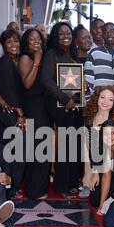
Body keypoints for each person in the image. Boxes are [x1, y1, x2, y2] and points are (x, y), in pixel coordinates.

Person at [40, 22, 84, 197]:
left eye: (68, 32)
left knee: (75, 142)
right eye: (61, 33)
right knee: (66, 144)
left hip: (74, 105)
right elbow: (46, 80)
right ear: (55, 37)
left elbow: (74, 83)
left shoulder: (72, 54)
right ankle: (62, 186)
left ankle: (73, 182)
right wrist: (65, 99)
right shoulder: (52, 54)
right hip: (59, 104)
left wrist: (82, 91)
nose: (66, 36)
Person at [82, 85, 114, 210]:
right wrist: (92, 171)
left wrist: (97, 171)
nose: (105, 102)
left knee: (98, 201)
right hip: (97, 160)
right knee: (94, 200)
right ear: (97, 98)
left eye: (110, 99)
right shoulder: (89, 118)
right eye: (102, 97)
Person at [18, 28, 51, 200]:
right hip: (32, 107)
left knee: (43, 148)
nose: (36, 41)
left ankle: (38, 188)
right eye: (32, 39)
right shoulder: (25, 58)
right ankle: (34, 190)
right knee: (38, 148)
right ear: (26, 42)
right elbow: (27, 84)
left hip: (43, 106)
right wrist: (36, 62)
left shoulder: (44, 56)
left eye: (38, 38)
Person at [0, 29, 26, 199]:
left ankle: (12, 187)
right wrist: (20, 114)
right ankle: (12, 188)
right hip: (10, 114)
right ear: (3, 45)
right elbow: (9, 91)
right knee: (17, 152)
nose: (13, 45)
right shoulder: (6, 62)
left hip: (12, 113)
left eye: (16, 41)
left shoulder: (15, 61)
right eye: (9, 42)